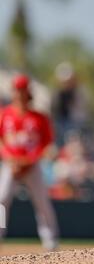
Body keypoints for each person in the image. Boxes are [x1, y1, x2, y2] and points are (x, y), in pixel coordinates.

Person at [0, 74, 59, 250]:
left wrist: (29, 160)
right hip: (11, 165)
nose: (19, 93)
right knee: (2, 198)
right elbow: (1, 140)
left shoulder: (39, 117)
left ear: (28, 92)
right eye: (16, 89)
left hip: (32, 166)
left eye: (22, 89)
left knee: (41, 201)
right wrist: (10, 159)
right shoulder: (5, 114)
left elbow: (47, 143)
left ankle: (50, 240)